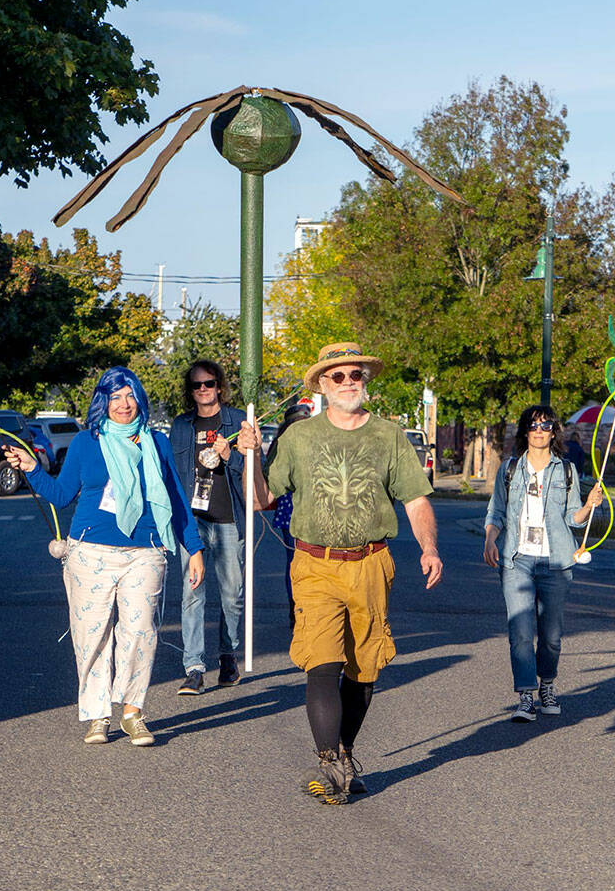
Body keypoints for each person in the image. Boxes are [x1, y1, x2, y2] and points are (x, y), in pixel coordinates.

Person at [236, 341, 441, 805]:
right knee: (322, 663)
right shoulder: (299, 437)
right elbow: (262, 500)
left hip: (371, 564)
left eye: (356, 375)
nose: (349, 383)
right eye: (338, 376)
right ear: (322, 386)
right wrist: (250, 457)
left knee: (363, 670)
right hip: (314, 564)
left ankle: (345, 752)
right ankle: (329, 762)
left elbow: (415, 499)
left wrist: (429, 547)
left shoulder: (390, 436)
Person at [4, 366, 204, 747]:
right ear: (103, 402)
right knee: (91, 634)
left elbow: (176, 499)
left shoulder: (156, 442)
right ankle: (97, 715)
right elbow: (62, 495)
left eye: (130, 396)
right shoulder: (85, 442)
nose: (124, 405)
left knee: (140, 630)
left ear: (140, 400)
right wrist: (31, 468)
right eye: (115, 397)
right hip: (90, 551)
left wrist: (193, 548)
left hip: (146, 550)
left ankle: (132, 711)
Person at [484, 404, 604, 722]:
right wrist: (489, 538)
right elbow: (496, 510)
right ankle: (526, 695)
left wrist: (589, 506)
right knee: (521, 631)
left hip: (556, 562)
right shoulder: (510, 469)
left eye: (546, 426)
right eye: (534, 426)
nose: (540, 432)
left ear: (554, 432)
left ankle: (547, 686)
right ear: (525, 432)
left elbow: (573, 518)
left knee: (550, 636)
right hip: (517, 560)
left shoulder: (565, 470)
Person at [168, 360, 253, 695]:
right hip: (193, 522)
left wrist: (232, 455)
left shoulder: (238, 421)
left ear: (220, 385)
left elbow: (253, 476)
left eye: (209, 383)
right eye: (196, 385)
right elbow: (172, 474)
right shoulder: (181, 426)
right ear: (189, 390)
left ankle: (228, 655)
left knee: (232, 596)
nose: (203, 390)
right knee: (192, 594)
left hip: (230, 519)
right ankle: (193, 667)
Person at [267, 402, 313, 628]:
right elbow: (270, 475)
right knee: (296, 560)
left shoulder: (318, 440)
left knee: (309, 560)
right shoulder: (281, 445)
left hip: (314, 508)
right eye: (297, 422)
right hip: (291, 507)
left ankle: (308, 606)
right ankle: (297, 606)